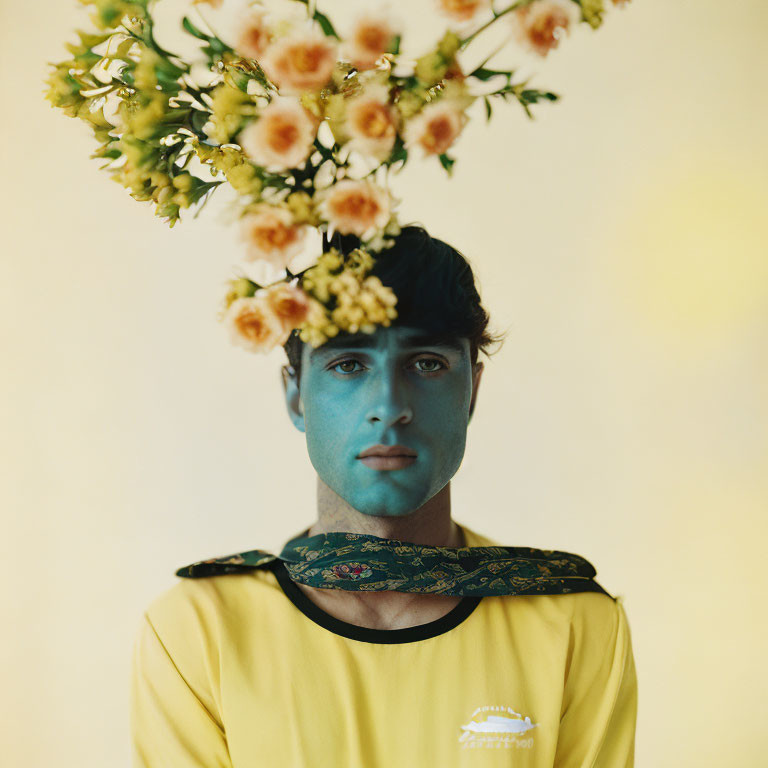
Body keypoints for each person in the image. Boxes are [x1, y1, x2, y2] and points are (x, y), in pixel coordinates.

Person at [130, 226, 638, 767]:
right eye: (348, 364)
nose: (390, 405)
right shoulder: (199, 630)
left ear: (473, 392)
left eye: (427, 364)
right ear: (296, 395)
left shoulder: (574, 623)